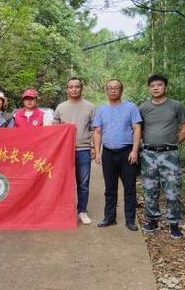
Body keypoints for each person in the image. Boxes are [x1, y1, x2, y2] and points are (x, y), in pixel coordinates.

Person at [139, 75, 185, 239]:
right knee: (150, 188)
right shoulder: (143, 107)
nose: (156, 88)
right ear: (149, 88)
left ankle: (174, 224)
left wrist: (174, 142)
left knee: (172, 189)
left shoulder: (176, 105)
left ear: (165, 87)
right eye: (153, 85)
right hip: (148, 154)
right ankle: (152, 220)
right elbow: (137, 129)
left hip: (169, 154)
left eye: (159, 85)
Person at [93, 79, 142, 231]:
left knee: (129, 188)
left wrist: (135, 150)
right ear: (106, 91)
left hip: (127, 152)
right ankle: (109, 218)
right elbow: (97, 131)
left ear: (121, 90)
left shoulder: (131, 107)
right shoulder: (100, 109)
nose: (113, 90)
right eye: (110, 88)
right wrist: (97, 151)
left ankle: (130, 220)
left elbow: (137, 128)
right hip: (108, 152)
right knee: (110, 188)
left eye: (116, 88)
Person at [54, 77, 96, 225]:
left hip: (83, 149)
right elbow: (55, 129)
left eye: (77, 86)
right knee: (63, 182)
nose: (74, 89)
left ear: (81, 88)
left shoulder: (90, 107)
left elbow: (94, 130)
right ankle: (63, 210)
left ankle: (82, 211)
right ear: (67, 89)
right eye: (71, 87)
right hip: (64, 151)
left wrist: (94, 148)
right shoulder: (60, 107)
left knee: (83, 183)